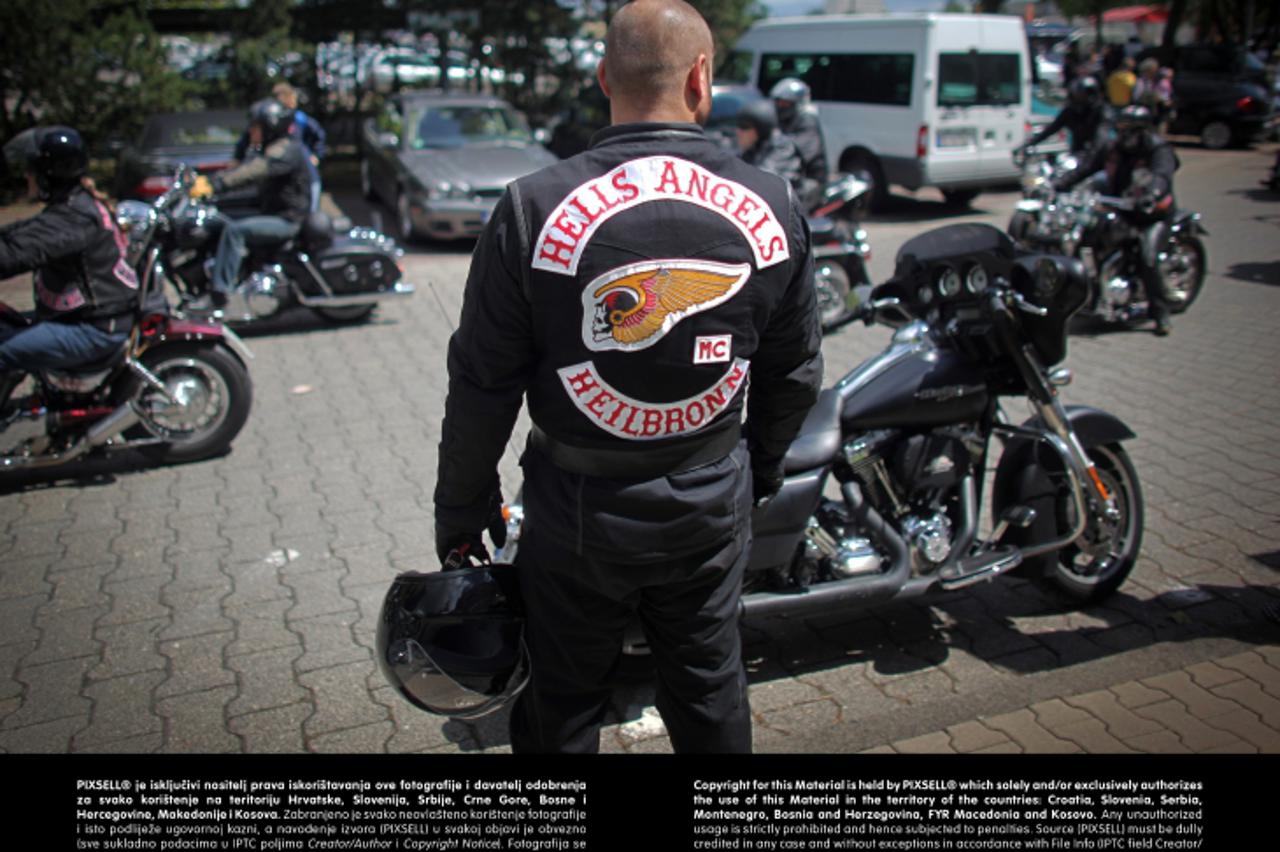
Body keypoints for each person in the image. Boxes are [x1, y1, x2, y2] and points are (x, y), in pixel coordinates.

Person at [432, 0, 823, 754]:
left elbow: (481, 381)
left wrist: (461, 507)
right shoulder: (775, 205)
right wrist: (760, 471)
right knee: (710, 693)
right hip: (709, 500)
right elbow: (795, 372)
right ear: (702, 78)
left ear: (604, 76)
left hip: (575, 514)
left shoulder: (529, 208)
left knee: (563, 704)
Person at [0, 126, 140, 407]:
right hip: (84, 316)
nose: (26, 175)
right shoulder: (71, 205)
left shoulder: (73, 218)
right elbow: (22, 233)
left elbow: (14, 253)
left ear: (48, 172)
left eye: (32, 169)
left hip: (93, 328)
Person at [1054, 105, 1179, 336]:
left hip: (1152, 215)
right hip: (1121, 210)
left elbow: (1161, 176)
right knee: (1086, 241)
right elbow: (1088, 167)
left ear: (1142, 130)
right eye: (1120, 129)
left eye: (1128, 130)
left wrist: (1151, 195)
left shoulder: (1158, 149)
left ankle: (1160, 312)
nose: (1123, 135)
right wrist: (1061, 184)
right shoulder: (1114, 148)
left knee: (1147, 257)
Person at [190, 98, 311, 311]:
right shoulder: (273, 147)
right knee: (219, 217)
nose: (251, 133)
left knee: (234, 231)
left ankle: (219, 293)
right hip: (272, 212)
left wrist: (216, 184)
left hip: (287, 220)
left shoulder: (283, 151)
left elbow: (253, 171)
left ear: (269, 127)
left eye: (255, 127)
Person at [234, 82, 326, 212]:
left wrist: (317, 155)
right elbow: (248, 136)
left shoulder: (299, 118)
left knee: (310, 216)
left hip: (303, 170)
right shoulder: (269, 118)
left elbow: (319, 134)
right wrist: (237, 158)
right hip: (283, 171)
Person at [734, 99, 811, 204]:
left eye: (744, 127)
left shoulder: (783, 149)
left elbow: (764, 180)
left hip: (787, 214)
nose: (738, 132)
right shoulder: (751, 150)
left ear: (760, 129)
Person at [1018, 76, 1111, 157]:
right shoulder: (1071, 111)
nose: (1078, 98)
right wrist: (1029, 144)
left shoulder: (1101, 112)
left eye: (1082, 95)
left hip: (1096, 159)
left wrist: (1093, 153)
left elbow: (1101, 137)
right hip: (1078, 156)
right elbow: (1051, 129)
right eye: (1077, 94)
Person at [769, 77, 828, 198]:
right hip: (785, 175)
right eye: (778, 102)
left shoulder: (807, 122)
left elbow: (792, 152)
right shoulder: (779, 120)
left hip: (808, 180)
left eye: (785, 103)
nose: (780, 106)